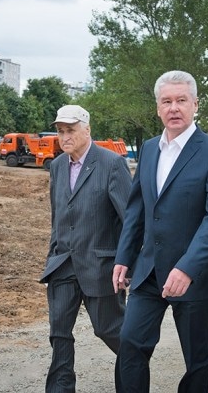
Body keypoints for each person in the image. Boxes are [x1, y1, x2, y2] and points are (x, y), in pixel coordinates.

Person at [112, 70, 208, 392]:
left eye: (181, 100)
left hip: (196, 276)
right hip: (149, 271)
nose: (174, 108)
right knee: (130, 344)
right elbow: (137, 209)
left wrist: (187, 267)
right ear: (158, 108)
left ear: (195, 104)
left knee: (199, 360)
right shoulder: (149, 149)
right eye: (166, 101)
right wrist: (124, 257)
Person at [40, 104, 132, 392]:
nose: (64, 137)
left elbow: (130, 219)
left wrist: (128, 263)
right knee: (59, 334)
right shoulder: (57, 166)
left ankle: (134, 374)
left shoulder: (111, 164)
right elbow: (58, 216)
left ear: (87, 129)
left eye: (70, 130)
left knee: (109, 330)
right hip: (62, 265)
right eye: (60, 131)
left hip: (100, 266)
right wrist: (52, 257)